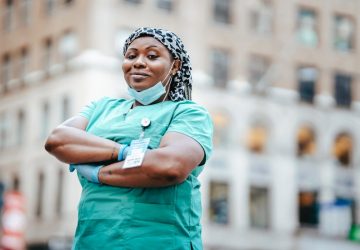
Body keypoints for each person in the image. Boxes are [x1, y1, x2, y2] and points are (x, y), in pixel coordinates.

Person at [44, 27, 213, 250]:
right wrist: (126, 154)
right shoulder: (101, 107)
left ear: (175, 66)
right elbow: (58, 140)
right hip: (93, 242)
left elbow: (170, 166)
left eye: (152, 56)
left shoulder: (188, 113)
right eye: (131, 56)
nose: (138, 62)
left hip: (159, 242)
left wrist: (97, 172)